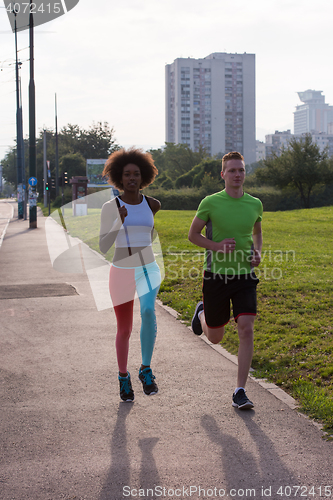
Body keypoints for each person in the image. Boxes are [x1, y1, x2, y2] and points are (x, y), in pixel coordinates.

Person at [188, 151, 263, 409]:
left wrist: (258, 252)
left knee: (246, 327)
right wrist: (217, 246)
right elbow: (193, 235)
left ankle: (240, 390)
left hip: (244, 276)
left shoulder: (255, 204)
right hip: (216, 277)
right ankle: (201, 315)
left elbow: (257, 231)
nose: (237, 175)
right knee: (216, 338)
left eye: (241, 170)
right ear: (223, 175)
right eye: (232, 170)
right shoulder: (210, 202)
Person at [99, 148, 161, 402]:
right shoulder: (110, 206)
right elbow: (103, 246)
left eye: (136, 174)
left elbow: (148, 232)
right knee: (124, 328)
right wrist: (118, 222)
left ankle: (145, 369)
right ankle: (123, 377)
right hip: (122, 270)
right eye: (127, 174)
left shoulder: (153, 204)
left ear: (143, 176)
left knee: (148, 311)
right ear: (119, 178)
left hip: (148, 267)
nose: (132, 178)